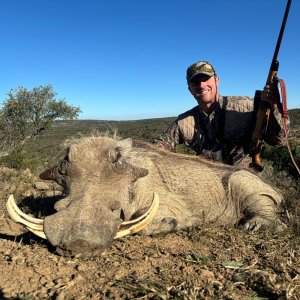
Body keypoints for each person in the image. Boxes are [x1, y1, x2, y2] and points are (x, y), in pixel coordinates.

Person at [158, 60, 287, 166]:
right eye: (195, 82)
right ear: (189, 89)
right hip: (210, 185)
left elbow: (280, 141)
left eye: (206, 78)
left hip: (246, 181)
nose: (201, 85)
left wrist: (275, 108)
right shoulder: (183, 122)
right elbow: (158, 148)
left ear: (217, 80)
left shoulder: (247, 106)